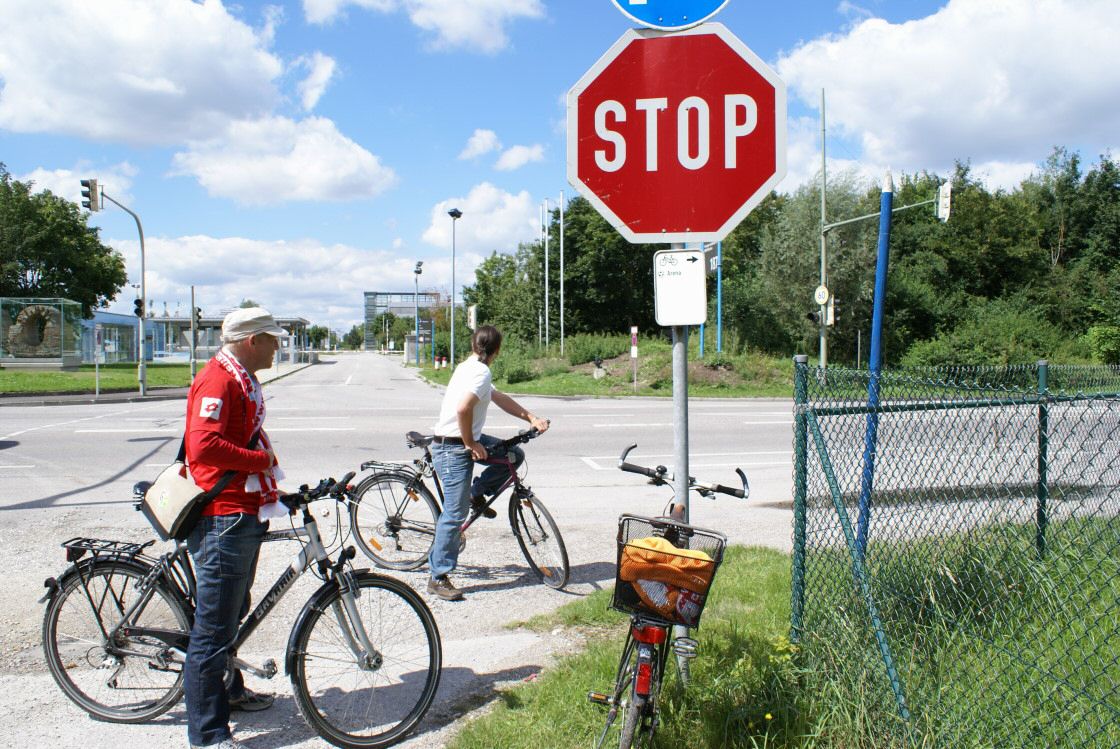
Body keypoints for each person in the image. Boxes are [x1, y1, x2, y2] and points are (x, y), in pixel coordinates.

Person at [183, 307, 287, 749]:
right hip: (221, 516)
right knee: (213, 631)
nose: (278, 346)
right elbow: (202, 444)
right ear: (251, 341)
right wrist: (261, 461)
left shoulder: (240, 377)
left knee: (231, 613)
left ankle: (230, 689)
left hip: (241, 511)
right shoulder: (219, 379)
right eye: (272, 339)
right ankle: (207, 735)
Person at [427, 325, 549, 601]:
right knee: (454, 514)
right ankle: (438, 577)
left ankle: (476, 492)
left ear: (474, 346)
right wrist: (471, 444)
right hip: (452, 447)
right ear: (497, 350)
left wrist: (530, 417)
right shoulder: (479, 371)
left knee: (513, 455)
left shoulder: (470, 367)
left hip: (463, 441)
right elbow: (463, 409)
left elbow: (498, 397)